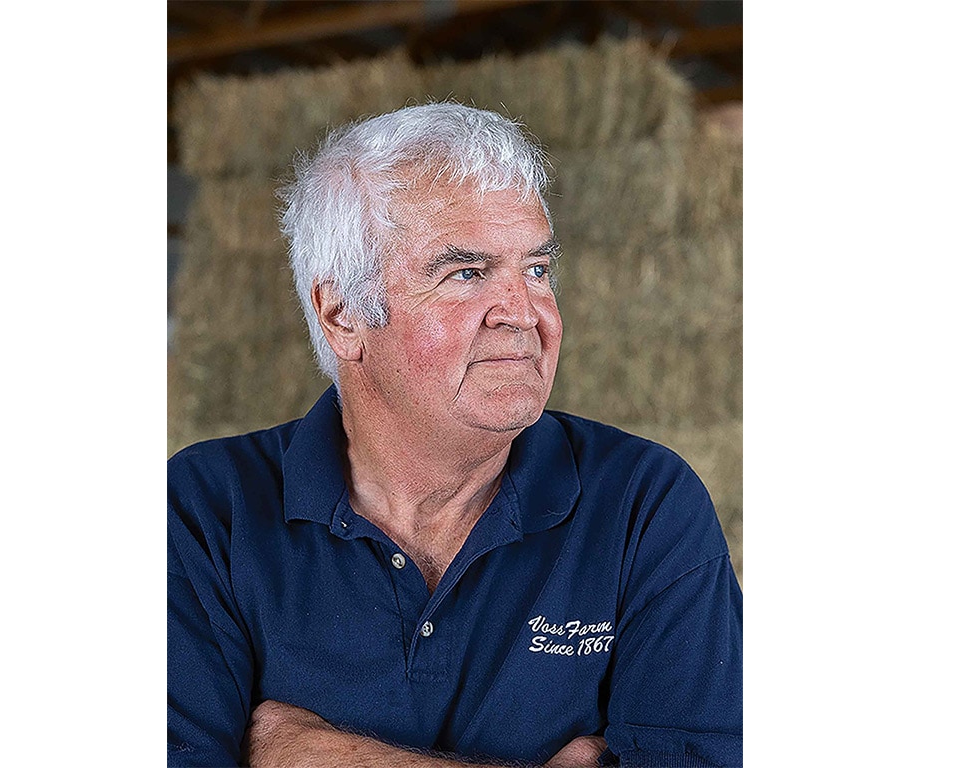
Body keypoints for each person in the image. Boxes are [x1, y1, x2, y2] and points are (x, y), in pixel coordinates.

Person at [168, 102, 742, 768]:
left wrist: (320, 755)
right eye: (466, 273)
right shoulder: (206, 511)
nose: (524, 314)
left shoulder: (643, 504)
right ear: (342, 314)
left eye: (536, 269)